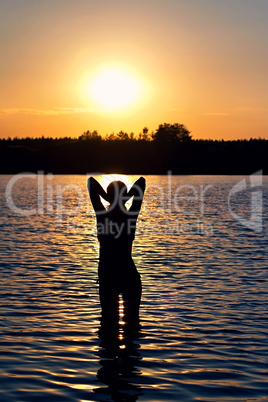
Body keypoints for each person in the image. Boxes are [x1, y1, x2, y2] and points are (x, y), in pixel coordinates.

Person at [87, 176, 146, 335]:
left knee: (108, 328)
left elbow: (91, 182)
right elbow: (141, 182)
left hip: (109, 278)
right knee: (132, 328)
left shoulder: (102, 216)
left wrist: (111, 198)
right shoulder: (130, 216)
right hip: (127, 277)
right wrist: (123, 198)